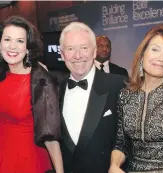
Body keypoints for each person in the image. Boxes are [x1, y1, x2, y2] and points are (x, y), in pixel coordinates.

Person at [109, 25, 163, 173]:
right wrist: (114, 166)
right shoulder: (125, 95)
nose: (161, 58)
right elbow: (120, 143)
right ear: (142, 55)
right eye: (155, 49)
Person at [0, 16, 63, 173]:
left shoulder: (41, 80)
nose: (12, 46)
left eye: (20, 41)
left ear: (28, 47)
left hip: (26, 158)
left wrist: (60, 171)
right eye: (7, 39)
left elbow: (50, 136)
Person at [58, 22, 126, 173]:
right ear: (62, 55)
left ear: (94, 52)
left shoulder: (118, 85)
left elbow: (127, 139)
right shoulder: (55, 90)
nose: (78, 55)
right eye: (70, 49)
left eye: (84, 48)